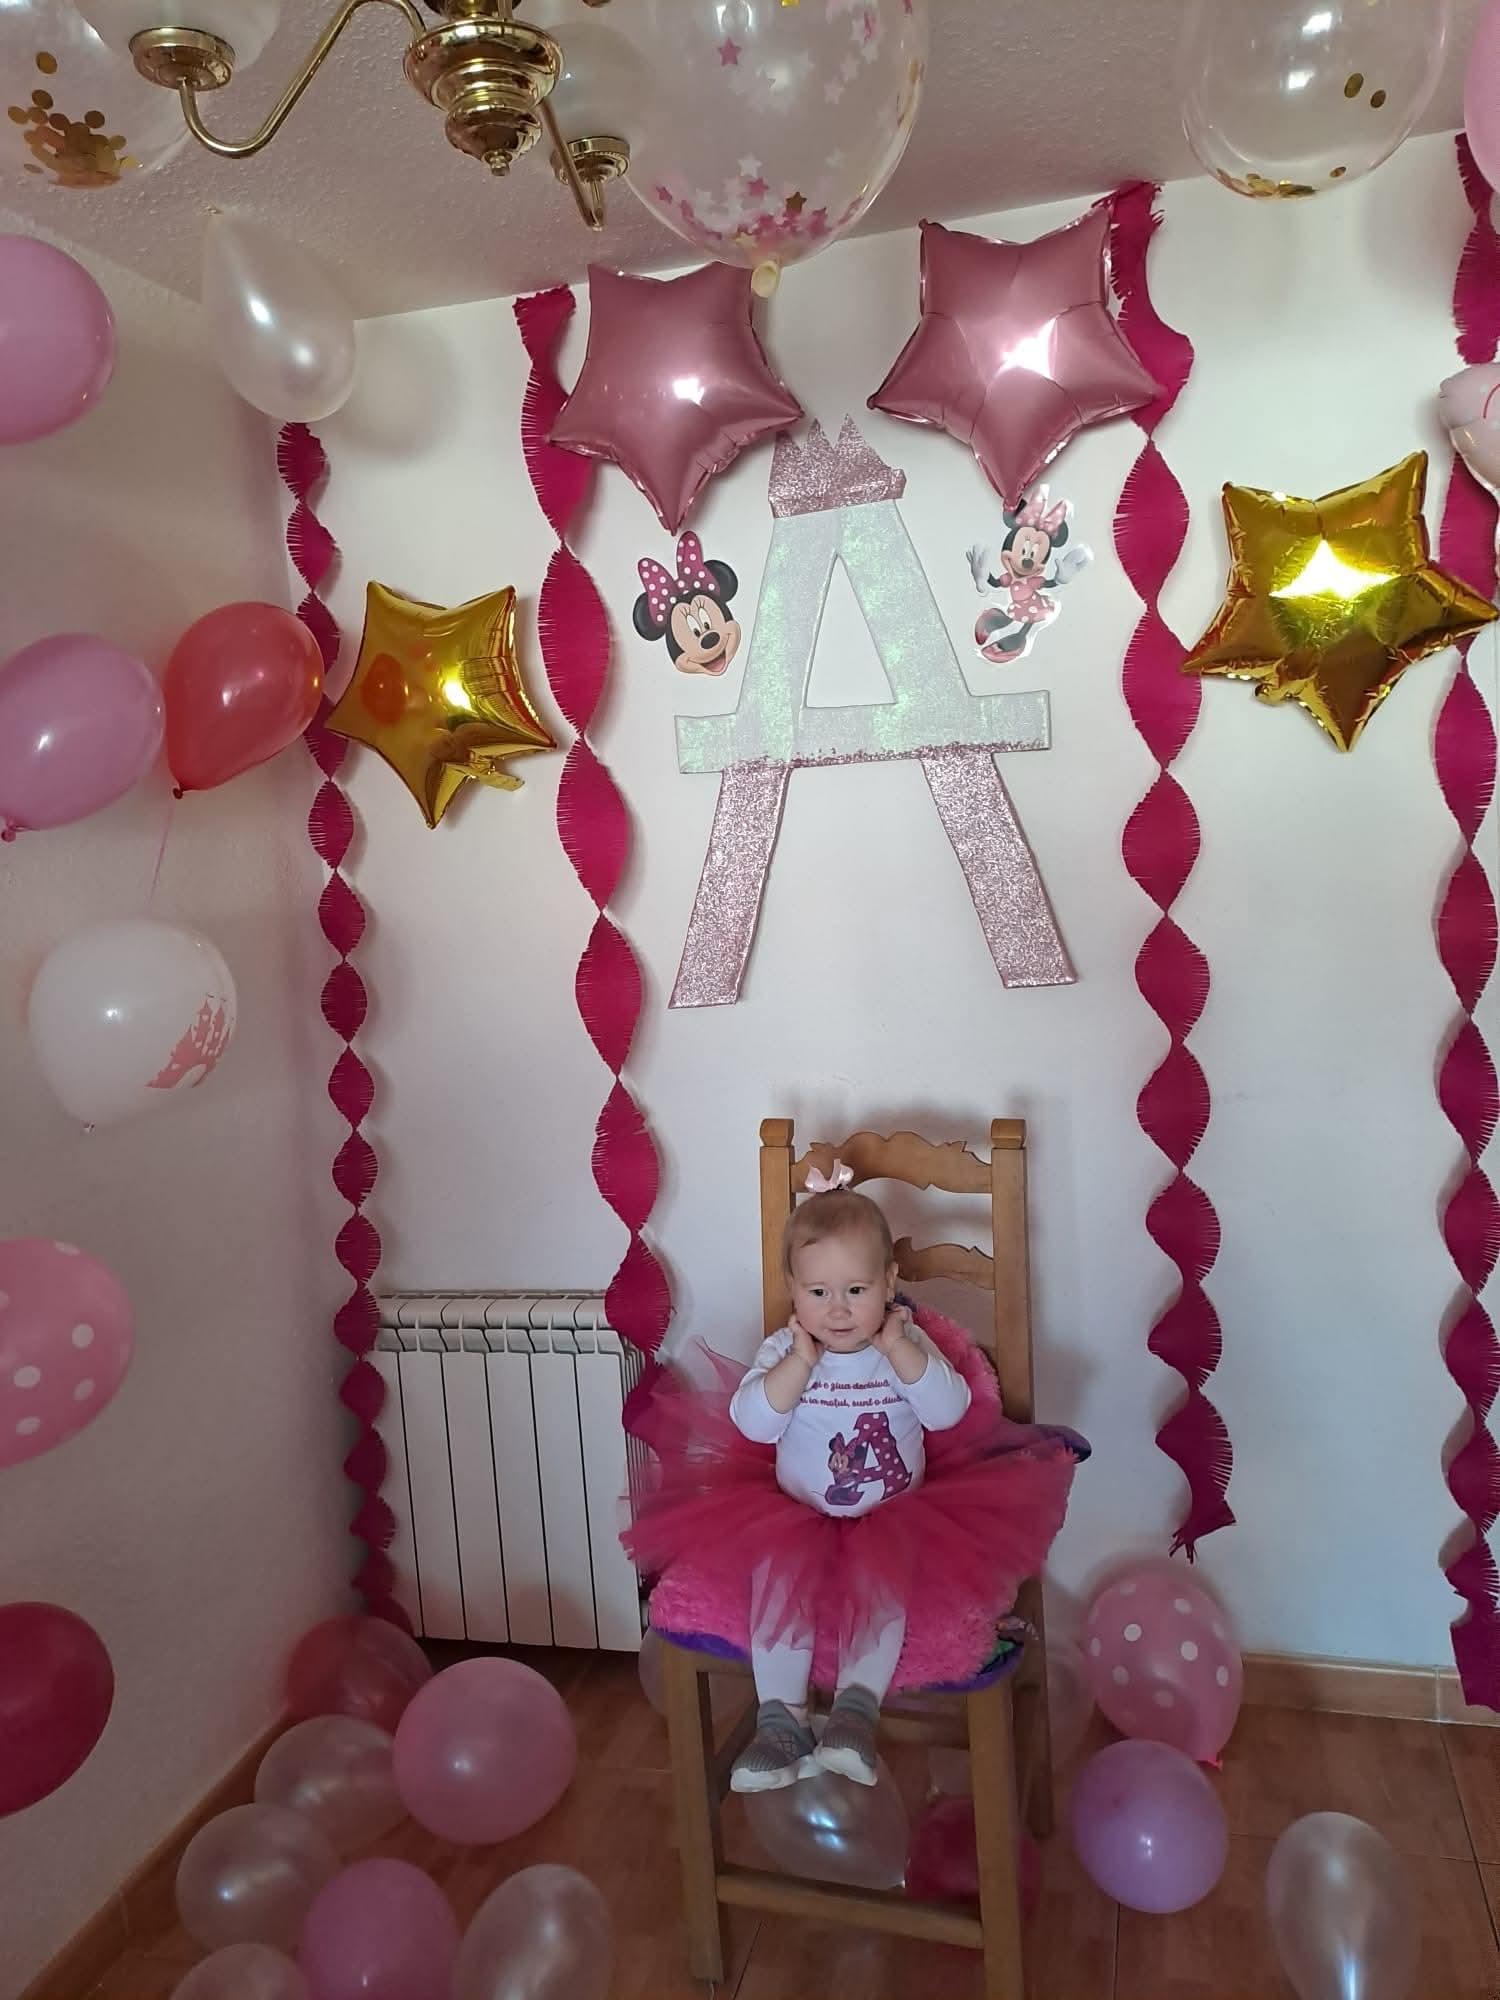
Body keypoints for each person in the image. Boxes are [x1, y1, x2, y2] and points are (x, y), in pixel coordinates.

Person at [624, 1162, 1087, 1794]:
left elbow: (950, 1412)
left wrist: (902, 1351)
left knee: (881, 1591)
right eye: (818, 1292)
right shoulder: (783, 1352)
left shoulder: (906, 1343)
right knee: (776, 1588)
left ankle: (853, 1715)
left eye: (856, 1290)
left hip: (891, 1517)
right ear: (794, 1290)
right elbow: (753, 1423)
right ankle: (781, 1722)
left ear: (889, 1282)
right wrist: (797, 1365)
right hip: (797, 1515)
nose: (838, 1309)